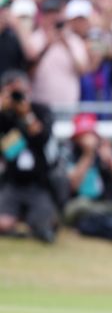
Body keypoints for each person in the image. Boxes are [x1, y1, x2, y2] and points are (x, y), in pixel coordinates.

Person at [0, 70, 57, 242]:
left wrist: (26, 114)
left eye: (20, 92)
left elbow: (41, 138)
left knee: (45, 224)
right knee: (3, 223)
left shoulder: (40, 111)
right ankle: (19, 224)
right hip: (12, 183)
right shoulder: (4, 116)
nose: (17, 97)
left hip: (37, 183)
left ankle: (30, 223)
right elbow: (6, 149)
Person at [63, 113, 112, 241]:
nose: (87, 138)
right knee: (80, 208)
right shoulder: (70, 153)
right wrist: (88, 155)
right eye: (83, 134)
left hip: (106, 205)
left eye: (89, 133)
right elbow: (71, 185)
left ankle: (106, 228)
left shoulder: (105, 149)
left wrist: (111, 162)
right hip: (83, 205)